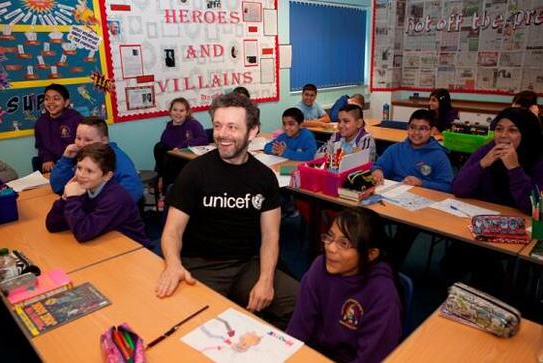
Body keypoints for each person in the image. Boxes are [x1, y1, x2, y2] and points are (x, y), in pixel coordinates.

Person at [155, 93, 298, 329]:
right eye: (218, 125)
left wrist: (265, 280)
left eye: (232, 127)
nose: (222, 134)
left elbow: (271, 236)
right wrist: (172, 264)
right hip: (201, 265)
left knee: (299, 304)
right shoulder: (194, 172)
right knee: (193, 326)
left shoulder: (264, 178)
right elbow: (172, 231)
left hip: (247, 264)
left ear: (252, 131)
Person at [286, 208, 402, 363]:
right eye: (330, 237)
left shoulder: (382, 293)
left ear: (370, 254)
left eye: (344, 243)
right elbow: (299, 328)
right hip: (318, 352)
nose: (330, 248)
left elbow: (371, 357)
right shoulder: (319, 266)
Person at [46, 143, 149, 246]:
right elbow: (52, 225)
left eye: (89, 171)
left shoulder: (115, 197)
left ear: (107, 176)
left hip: (133, 250)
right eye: (79, 168)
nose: (81, 175)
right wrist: (65, 198)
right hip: (106, 243)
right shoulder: (85, 187)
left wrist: (73, 199)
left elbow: (83, 233)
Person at [452, 107, 543, 215]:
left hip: (524, 224)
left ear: (527, 134)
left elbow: (535, 208)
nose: (503, 135)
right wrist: (482, 164)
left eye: (512, 130)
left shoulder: (538, 158)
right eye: (499, 129)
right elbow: (457, 189)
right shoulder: (487, 150)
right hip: (484, 218)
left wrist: (514, 169)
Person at [50, 116, 143, 203]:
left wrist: (102, 206)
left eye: (88, 140)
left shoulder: (116, 157)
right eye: (78, 138)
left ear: (104, 141)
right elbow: (58, 187)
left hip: (106, 212)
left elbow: (133, 189)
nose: (81, 144)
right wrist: (66, 159)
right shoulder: (80, 156)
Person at [371, 109, 453, 193]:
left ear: (432, 131)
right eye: (412, 127)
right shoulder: (395, 149)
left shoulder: (438, 155)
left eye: (422, 128)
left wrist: (421, 183)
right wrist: (377, 171)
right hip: (394, 195)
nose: (416, 132)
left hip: (423, 197)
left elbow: (447, 186)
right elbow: (378, 166)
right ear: (407, 128)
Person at [154, 98, 208, 192]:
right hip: (170, 164)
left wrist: (182, 145)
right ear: (170, 112)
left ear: (187, 112)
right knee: (159, 147)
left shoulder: (193, 124)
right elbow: (161, 155)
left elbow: (204, 139)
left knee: (168, 159)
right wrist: (159, 175)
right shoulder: (168, 129)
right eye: (175, 110)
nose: (178, 113)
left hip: (187, 160)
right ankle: (167, 190)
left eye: (181, 110)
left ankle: (168, 192)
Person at [34, 83, 82, 172]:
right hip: (53, 166)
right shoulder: (41, 122)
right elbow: (40, 145)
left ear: (66, 102)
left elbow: (84, 145)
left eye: (56, 99)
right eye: (47, 99)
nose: (51, 102)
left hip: (75, 164)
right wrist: (47, 158)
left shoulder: (77, 119)